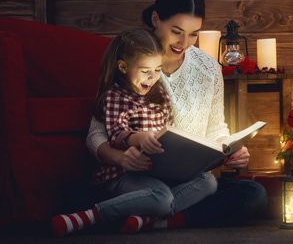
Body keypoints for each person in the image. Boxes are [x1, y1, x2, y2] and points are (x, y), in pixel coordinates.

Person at [51, 28, 217, 237]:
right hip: (123, 174)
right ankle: (90, 216)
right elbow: (116, 132)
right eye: (145, 71)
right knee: (162, 198)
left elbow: (170, 130)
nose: (153, 77)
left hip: (158, 173)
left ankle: (146, 220)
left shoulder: (160, 96)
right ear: (123, 66)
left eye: (158, 70)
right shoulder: (115, 96)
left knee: (208, 181)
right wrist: (138, 138)